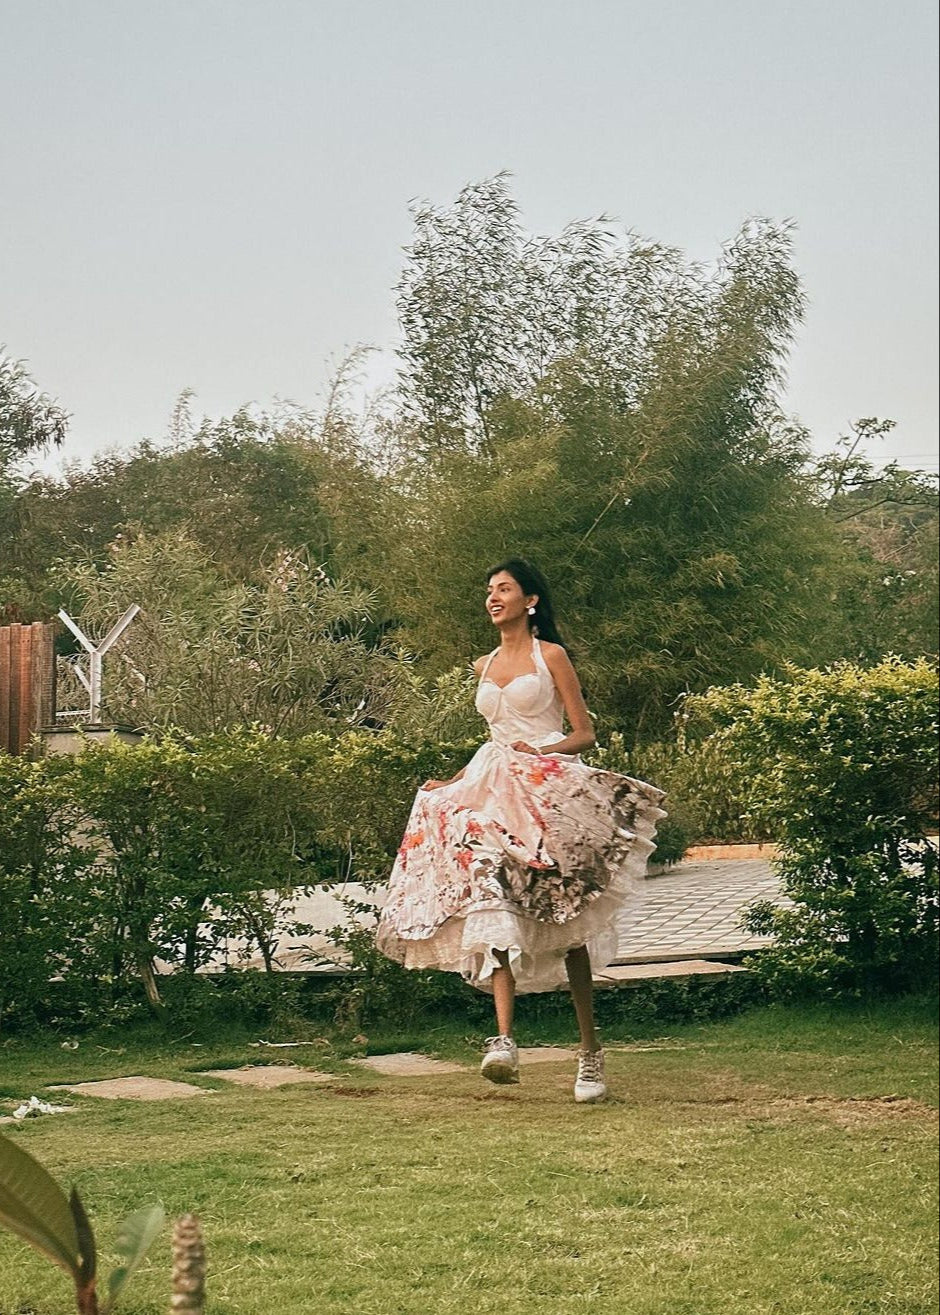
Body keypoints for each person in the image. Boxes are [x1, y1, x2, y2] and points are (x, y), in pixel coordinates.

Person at [375, 558, 665, 1103]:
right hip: (492, 785)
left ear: (530, 600)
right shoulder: (483, 663)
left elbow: (583, 734)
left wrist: (544, 749)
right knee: (490, 889)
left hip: (551, 789)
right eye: (488, 590)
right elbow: (494, 737)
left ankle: (589, 1055)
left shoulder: (549, 655)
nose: (492, 597)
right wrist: (453, 780)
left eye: (503, 589)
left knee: (570, 918)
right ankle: (504, 1040)